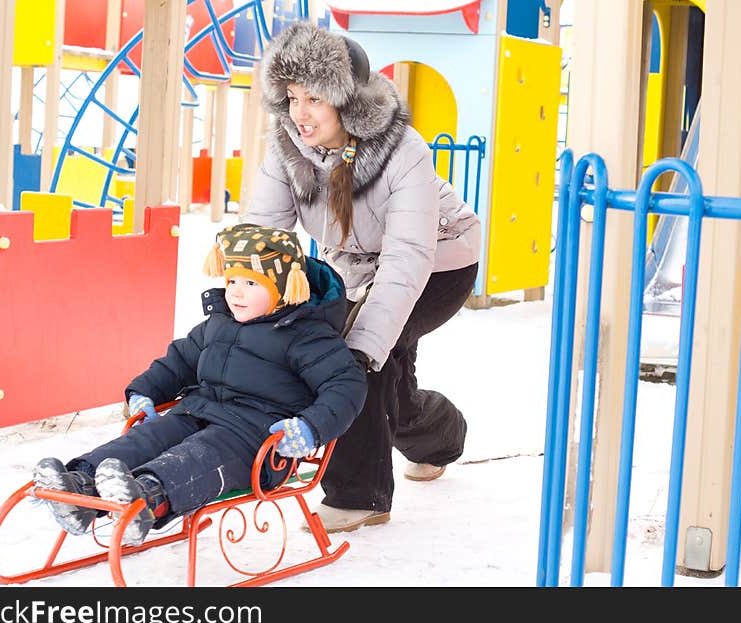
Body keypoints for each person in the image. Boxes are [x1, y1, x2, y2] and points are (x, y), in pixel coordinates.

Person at [239, 22, 481, 532]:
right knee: (391, 388)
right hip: (358, 266)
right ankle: (440, 435)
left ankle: (358, 495)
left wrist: (363, 345)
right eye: (292, 97)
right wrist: (243, 299)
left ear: (347, 102)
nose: (299, 114)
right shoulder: (288, 148)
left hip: (440, 261)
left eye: (314, 100)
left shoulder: (401, 149)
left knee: (359, 356)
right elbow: (265, 233)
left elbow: (409, 255)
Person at [31, 224, 367, 546]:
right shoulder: (217, 324)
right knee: (150, 437)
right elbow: (179, 361)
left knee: (198, 456)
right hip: (196, 412)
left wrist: (309, 428)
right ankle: (81, 488)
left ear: (284, 288)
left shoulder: (307, 335)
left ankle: (149, 499)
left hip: (254, 439)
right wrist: (144, 391)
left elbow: (346, 386)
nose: (235, 291)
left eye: (251, 284)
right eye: (232, 279)